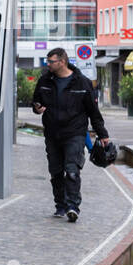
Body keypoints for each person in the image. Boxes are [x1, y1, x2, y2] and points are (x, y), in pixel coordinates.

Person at [31, 47, 110, 223]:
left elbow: (93, 112)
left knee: (72, 170)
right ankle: (60, 205)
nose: (48, 64)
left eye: (51, 61)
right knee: (56, 172)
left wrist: (102, 134)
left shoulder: (82, 83)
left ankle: (73, 206)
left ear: (62, 61)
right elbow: (36, 102)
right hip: (52, 134)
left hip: (74, 133)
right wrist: (37, 108)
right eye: (48, 61)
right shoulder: (45, 81)